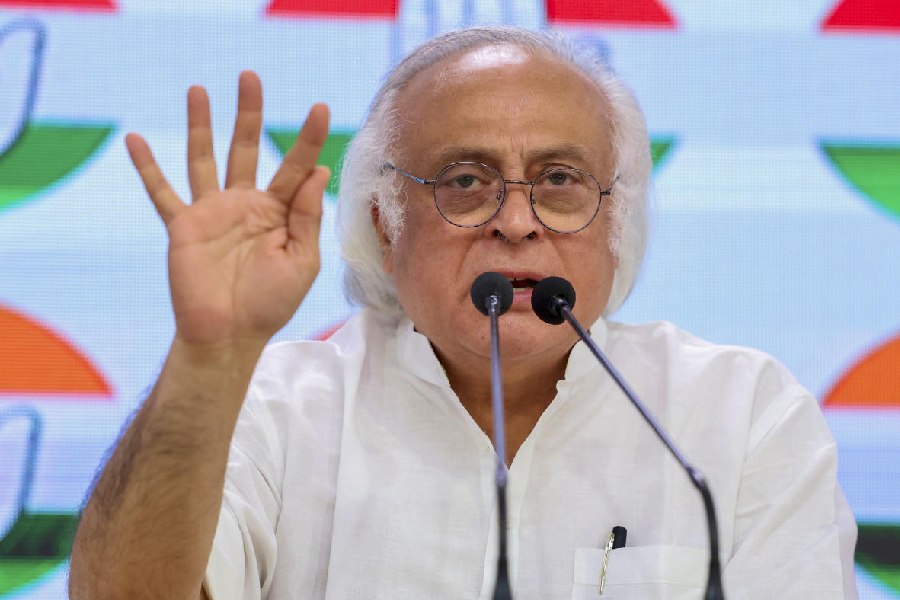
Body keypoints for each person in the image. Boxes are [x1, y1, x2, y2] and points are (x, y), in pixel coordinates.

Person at [68, 27, 857, 599]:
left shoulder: (737, 414)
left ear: (617, 223)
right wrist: (211, 359)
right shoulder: (276, 408)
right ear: (384, 221)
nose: (516, 221)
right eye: (467, 181)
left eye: (558, 180)